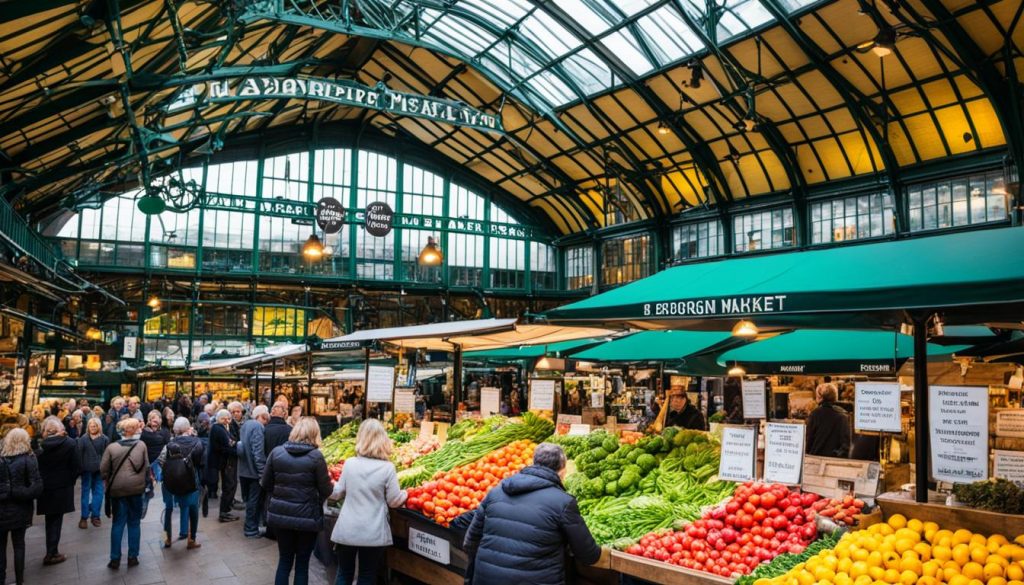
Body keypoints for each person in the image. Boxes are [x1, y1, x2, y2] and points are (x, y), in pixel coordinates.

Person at [464, 443, 601, 584]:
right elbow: (589, 555)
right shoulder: (563, 502)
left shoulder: (495, 492)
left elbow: (470, 541)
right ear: (561, 471)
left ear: (533, 462)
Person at [329, 419, 406, 585]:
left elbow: (337, 493)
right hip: (373, 531)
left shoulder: (350, 464)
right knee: (366, 575)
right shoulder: (387, 468)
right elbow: (394, 501)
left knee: (344, 572)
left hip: (348, 528)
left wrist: (327, 485)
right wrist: (406, 494)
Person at [262, 417, 332, 585]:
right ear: (315, 434)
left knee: (284, 560)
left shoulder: (276, 452)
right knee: (302, 564)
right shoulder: (316, 457)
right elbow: (326, 490)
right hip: (308, 518)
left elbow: (265, 483)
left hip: (281, 515)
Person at [101, 418, 149, 570]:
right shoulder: (141, 445)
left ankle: (115, 558)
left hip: (118, 489)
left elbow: (103, 469)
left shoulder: (112, 448)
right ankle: (132, 557)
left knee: (118, 523)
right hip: (136, 489)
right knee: (134, 522)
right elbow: (146, 465)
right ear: (134, 430)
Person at [0, 428, 44, 585]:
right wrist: (18, 492)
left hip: (3, 509)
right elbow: (37, 487)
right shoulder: (28, 459)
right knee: (19, 544)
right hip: (20, 509)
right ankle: (19, 580)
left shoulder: (3, 458)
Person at [36, 415, 79, 565]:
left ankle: (51, 550)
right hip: (62, 486)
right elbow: (76, 467)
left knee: (50, 520)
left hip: (45, 487)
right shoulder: (69, 443)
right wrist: (70, 481)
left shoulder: (39, 446)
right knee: (56, 520)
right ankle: (52, 552)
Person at [157, 417, 204, 549]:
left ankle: (167, 539)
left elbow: (161, 460)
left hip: (170, 482)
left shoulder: (169, 444)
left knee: (168, 509)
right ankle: (191, 539)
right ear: (188, 428)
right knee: (193, 508)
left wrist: (171, 469)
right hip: (190, 479)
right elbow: (200, 461)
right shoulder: (197, 442)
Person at [238, 404, 269, 538]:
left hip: (244, 470)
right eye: (265, 418)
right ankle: (251, 529)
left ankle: (251, 526)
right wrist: (262, 473)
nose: (266, 422)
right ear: (261, 416)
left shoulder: (245, 425)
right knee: (254, 501)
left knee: (249, 501)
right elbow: (258, 452)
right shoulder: (257, 427)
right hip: (253, 472)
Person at [76, 416, 109, 529]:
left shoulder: (105, 439)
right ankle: (84, 517)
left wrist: (106, 469)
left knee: (99, 493)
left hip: (99, 470)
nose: (93, 428)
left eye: (95, 426)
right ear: (88, 427)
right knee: (85, 493)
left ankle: (95, 515)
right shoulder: (83, 439)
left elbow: (107, 455)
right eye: (91, 426)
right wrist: (80, 469)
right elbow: (79, 455)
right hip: (86, 470)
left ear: (99, 426)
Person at [806, 383, 852, 458]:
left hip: (815, 459)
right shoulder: (843, 416)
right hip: (834, 462)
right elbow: (846, 446)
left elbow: (808, 441)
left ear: (820, 398)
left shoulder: (814, 414)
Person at [210, 409, 240, 522]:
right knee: (229, 485)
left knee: (229, 485)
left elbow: (232, 441)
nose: (227, 421)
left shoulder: (220, 427)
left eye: (228, 419)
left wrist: (233, 443)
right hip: (226, 462)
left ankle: (225, 510)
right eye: (224, 419)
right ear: (219, 419)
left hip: (226, 460)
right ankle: (224, 512)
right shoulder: (218, 428)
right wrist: (235, 445)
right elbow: (230, 443)